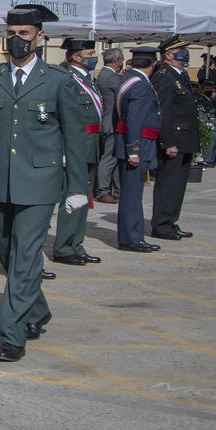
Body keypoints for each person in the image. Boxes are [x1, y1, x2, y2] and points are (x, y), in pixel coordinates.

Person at [0, 4, 89, 363]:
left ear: (39, 37)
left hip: (39, 182)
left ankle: (12, 333)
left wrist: (77, 187)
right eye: (11, 34)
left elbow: (75, 136)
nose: (16, 40)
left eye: (24, 34)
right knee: (5, 254)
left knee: (23, 257)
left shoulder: (57, 80)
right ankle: (37, 309)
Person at [52, 39, 105, 266]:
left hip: (90, 144)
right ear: (76, 56)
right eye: (90, 52)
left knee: (84, 197)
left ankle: (76, 244)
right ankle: (64, 247)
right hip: (75, 146)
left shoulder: (87, 79)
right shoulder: (68, 79)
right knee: (72, 197)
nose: (94, 56)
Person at [114, 47, 163, 252]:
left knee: (130, 193)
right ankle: (132, 238)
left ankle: (131, 236)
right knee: (132, 195)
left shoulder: (128, 80)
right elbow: (135, 120)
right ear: (153, 64)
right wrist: (134, 150)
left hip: (131, 142)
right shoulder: (141, 85)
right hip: (138, 144)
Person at [150, 38, 196, 241]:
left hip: (185, 138)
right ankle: (161, 224)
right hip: (174, 139)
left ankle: (170, 221)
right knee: (168, 184)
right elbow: (164, 112)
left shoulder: (180, 75)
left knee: (178, 185)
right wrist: (168, 142)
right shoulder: (163, 76)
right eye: (180, 50)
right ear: (168, 54)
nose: (184, 53)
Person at [94, 47, 124, 203]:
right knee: (109, 158)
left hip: (111, 122)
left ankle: (118, 190)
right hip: (111, 122)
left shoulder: (105, 74)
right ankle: (103, 190)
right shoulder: (111, 77)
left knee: (115, 156)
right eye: (122, 60)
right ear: (117, 61)